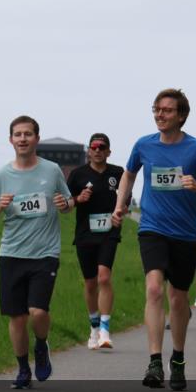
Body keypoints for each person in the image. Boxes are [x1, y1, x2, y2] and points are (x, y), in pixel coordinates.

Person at [112, 88, 196, 391]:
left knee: (177, 298)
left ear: (181, 115)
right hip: (152, 228)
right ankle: (153, 361)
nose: (159, 115)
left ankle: (177, 358)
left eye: (166, 110)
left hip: (185, 234)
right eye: (156, 109)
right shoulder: (143, 145)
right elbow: (129, 173)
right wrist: (120, 203)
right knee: (153, 288)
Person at [0, 116, 73, 388]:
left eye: (28, 134)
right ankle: (23, 370)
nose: (23, 139)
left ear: (37, 139)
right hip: (11, 254)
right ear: (11, 140)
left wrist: (64, 203)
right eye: (18, 134)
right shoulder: (1, 176)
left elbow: (68, 203)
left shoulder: (52, 170)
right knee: (17, 317)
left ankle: (42, 346)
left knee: (37, 312)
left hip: (45, 253)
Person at [66, 132, 126, 349]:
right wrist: (77, 199)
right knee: (90, 282)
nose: (98, 151)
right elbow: (64, 204)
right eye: (94, 147)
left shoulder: (117, 173)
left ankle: (105, 330)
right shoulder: (77, 175)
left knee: (103, 277)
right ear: (89, 151)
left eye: (102, 147)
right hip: (85, 233)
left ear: (109, 151)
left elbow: (125, 196)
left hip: (109, 232)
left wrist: (120, 211)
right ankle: (93, 327)